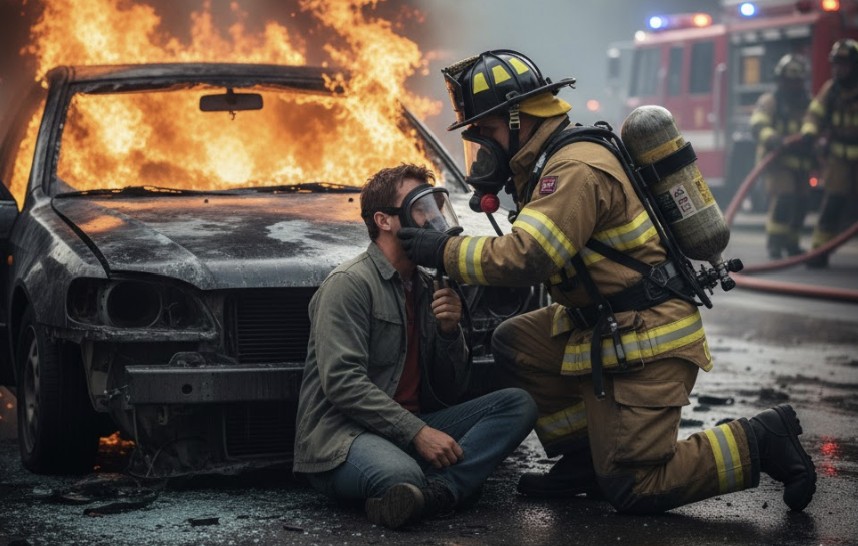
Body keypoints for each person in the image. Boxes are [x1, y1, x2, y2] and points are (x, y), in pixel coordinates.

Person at [398, 49, 817, 514]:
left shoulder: (572, 169)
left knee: (636, 487)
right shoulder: (549, 164)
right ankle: (584, 460)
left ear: (520, 118)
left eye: (489, 133)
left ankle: (763, 440)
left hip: (648, 340)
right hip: (607, 322)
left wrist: (444, 250)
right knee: (516, 341)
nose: (485, 151)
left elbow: (530, 256)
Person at [292, 163, 537, 530]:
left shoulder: (425, 286)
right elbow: (343, 383)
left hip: (412, 423)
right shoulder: (349, 284)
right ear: (385, 220)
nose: (433, 218)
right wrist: (418, 434)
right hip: (346, 435)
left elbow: (450, 389)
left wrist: (450, 332)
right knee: (399, 473)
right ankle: (436, 485)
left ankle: (433, 494)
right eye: (420, 208)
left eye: (435, 205)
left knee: (518, 404)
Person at [749, 54, 814, 259]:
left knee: (802, 202)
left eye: (797, 81)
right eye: (789, 80)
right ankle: (775, 244)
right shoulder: (770, 100)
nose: (794, 85)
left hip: (801, 161)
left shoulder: (808, 102)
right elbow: (758, 124)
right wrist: (774, 139)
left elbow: (815, 122)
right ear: (781, 80)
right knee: (785, 199)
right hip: (777, 161)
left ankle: (792, 244)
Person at [801, 38, 858, 268]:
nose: (838, 69)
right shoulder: (831, 90)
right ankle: (819, 251)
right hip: (840, 160)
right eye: (836, 64)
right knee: (832, 205)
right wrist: (809, 132)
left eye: (843, 64)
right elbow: (814, 114)